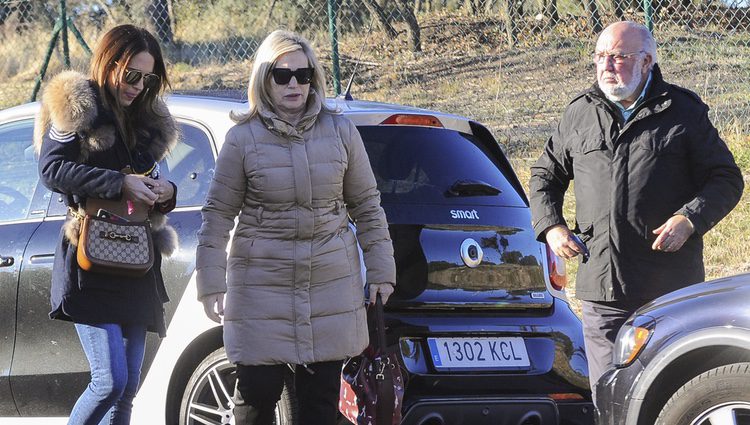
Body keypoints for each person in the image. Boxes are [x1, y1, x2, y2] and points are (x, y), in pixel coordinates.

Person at [529, 21, 743, 399]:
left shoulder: (683, 111)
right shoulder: (579, 113)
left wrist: (690, 219)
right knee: (608, 397)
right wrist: (552, 227)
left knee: (669, 393)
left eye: (619, 57)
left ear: (646, 61)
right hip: (602, 287)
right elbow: (545, 175)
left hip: (669, 288)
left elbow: (726, 178)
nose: (607, 65)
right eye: (600, 56)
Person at [195, 29, 396, 425]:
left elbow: (368, 207)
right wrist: (211, 282)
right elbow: (218, 214)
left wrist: (381, 271)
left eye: (302, 75)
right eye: (282, 75)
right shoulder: (241, 139)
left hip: (329, 286)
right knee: (255, 401)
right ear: (263, 79)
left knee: (321, 407)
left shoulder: (341, 132)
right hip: (260, 288)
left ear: (313, 79)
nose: (293, 84)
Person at [35, 24, 178, 425]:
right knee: (109, 381)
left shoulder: (146, 118)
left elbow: (151, 176)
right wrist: (120, 183)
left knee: (128, 389)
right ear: (109, 62)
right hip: (91, 255)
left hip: (136, 257)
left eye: (148, 79)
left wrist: (165, 190)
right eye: (131, 74)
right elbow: (51, 170)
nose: (138, 86)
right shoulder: (79, 104)